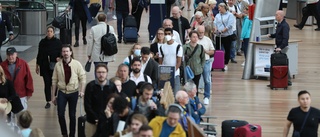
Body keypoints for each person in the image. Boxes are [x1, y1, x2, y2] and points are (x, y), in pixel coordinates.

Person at [51, 45, 86, 137]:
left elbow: (83, 78)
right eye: (64, 51)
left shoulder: (77, 64)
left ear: (71, 52)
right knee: (60, 114)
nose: (65, 53)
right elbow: (54, 80)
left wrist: (82, 91)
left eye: (67, 51)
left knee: (72, 115)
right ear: (61, 53)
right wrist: (53, 96)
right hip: (62, 92)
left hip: (74, 92)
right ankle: (64, 133)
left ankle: (72, 135)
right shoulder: (57, 65)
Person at [84, 63, 117, 137]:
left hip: (107, 121)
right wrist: (95, 118)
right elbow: (87, 105)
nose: (101, 74)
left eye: (103, 72)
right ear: (95, 73)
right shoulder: (90, 86)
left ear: (107, 73)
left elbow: (116, 104)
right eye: (99, 72)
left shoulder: (112, 86)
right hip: (92, 121)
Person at [36, 26, 62, 109]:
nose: (49, 33)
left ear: (53, 33)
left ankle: (54, 98)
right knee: (47, 83)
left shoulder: (58, 42)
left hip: (54, 66)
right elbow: (39, 54)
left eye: (51, 31)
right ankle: (48, 101)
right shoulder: (42, 42)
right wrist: (37, 66)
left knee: (54, 83)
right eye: (48, 31)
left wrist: (60, 58)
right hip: (44, 66)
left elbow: (61, 53)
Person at [267, 10, 292, 86]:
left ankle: (287, 79)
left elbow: (285, 38)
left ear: (281, 16)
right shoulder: (279, 24)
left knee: (282, 62)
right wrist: (272, 35)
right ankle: (287, 79)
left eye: (277, 15)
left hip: (282, 46)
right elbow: (278, 34)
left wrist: (280, 47)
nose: (275, 16)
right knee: (283, 63)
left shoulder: (285, 26)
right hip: (279, 46)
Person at [159, 28, 183, 95]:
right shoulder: (162, 47)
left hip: (175, 73)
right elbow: (160, 61)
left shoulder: (178, 46)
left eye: (169, 34)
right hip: (165, 73)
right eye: (166, 34)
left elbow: (179, 61)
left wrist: (173, 70)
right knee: (164, 94)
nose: (167, 35)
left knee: (176, 93)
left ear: (172, 34)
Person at [183, 30, 205, 96]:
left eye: (196, 37)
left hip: (197, 70)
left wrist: (201, 67)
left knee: (196, 86)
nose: (195, 38)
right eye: (193, 37)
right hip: (188, 70)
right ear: (190, 37)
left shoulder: (200, 47)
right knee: (188, 87)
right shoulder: (185, 47)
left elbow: (203, 58)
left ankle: (196, 99)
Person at [213, 2, 235, 71]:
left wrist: (223, 30)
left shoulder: (230, 15)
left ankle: (225, 63)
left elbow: (230, 25)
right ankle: (218, 62)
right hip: (218, 35)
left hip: (227, 35)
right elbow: (215, 23)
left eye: (220, 7)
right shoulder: (217, 15)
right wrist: (216, 29)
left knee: (227, 49)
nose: (218, 9)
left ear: (223, 7)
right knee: (217, 49)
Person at [197, 26, 215, 105]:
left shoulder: (208, 40)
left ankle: (206, 96)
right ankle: (195, 97)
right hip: (196, 62)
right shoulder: (194, 39)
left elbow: (212, 51)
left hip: (206, 61)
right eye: (199, 32)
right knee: (195, 80)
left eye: (202, 32)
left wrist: (206, 51)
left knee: (207, 80)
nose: (200, 34)